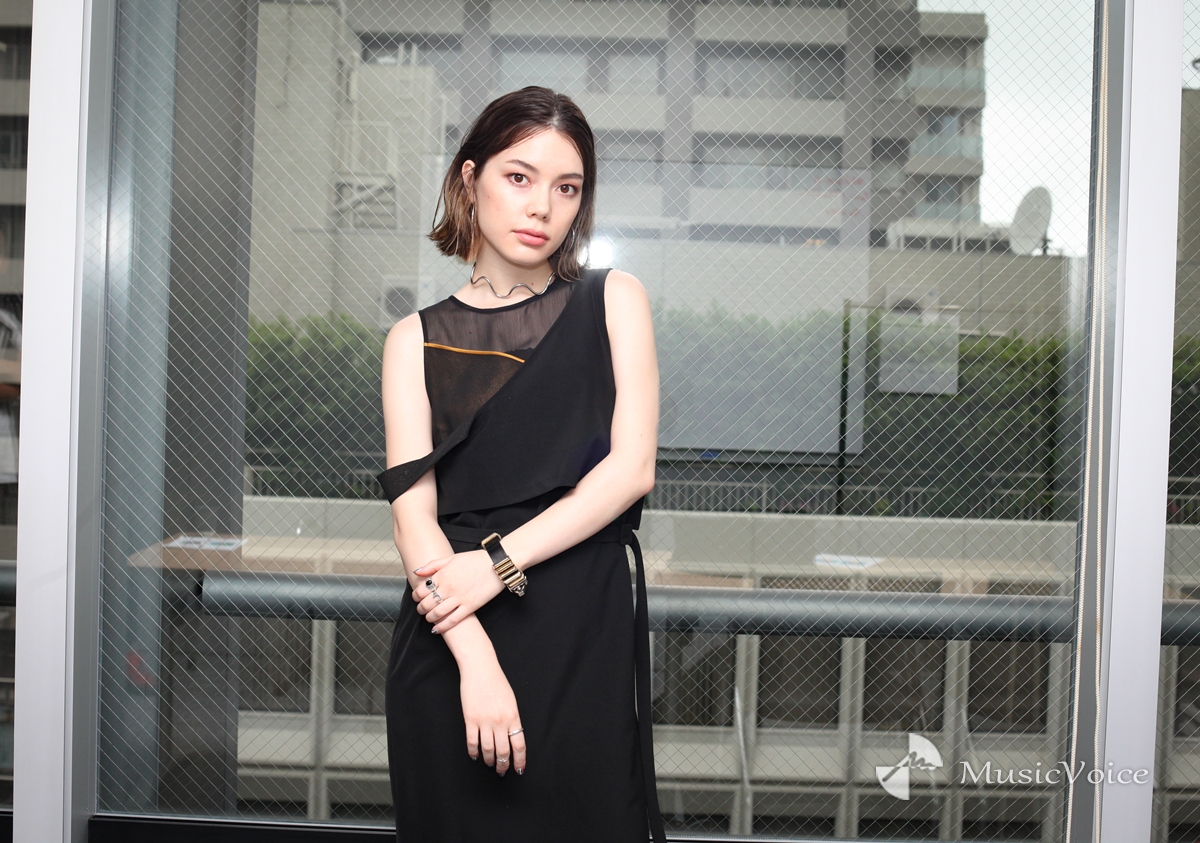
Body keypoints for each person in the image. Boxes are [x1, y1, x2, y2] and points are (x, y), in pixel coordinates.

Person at [377, 86, 666, 842]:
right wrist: (475, 662)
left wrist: (496, 563)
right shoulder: (411, 340)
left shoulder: (615, 300)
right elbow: (413, 521)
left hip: (580, 627)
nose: (542, 206)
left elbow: (631, 469)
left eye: (567, 188)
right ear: (470, 180)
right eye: (519, 177)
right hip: (451, 640)